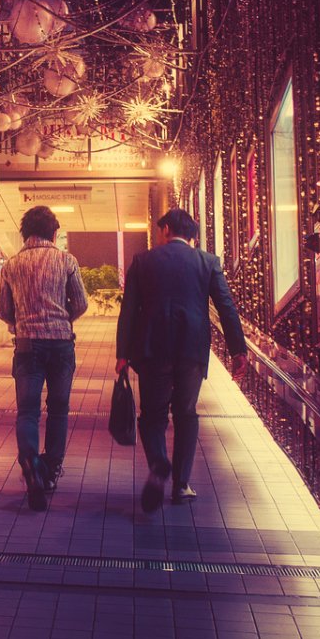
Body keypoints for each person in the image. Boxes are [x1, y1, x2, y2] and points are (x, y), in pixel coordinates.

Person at [115, 208, 248, 511]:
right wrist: (238, 349)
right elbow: (226, 307)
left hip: (151, 350)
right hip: (191, 350)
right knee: (186, 413)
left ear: (165, 231)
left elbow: (129, 311)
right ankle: (181, 485)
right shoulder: (207, 262)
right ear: (194, 236)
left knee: (152, 415)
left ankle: (159, 463)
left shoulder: (143, 261)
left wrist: (122, 353)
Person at [0, 205, 88, 510]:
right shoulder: (66, 260)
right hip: (61, 343)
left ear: (25, 232)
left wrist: (20, 321)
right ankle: (49, 472)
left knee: (27, 411)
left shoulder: (12, 264)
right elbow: (81, 302)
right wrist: (63, 318)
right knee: (59, 409)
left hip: (27, 345)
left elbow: (2, 309)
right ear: (54, 231)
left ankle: (31, 463)